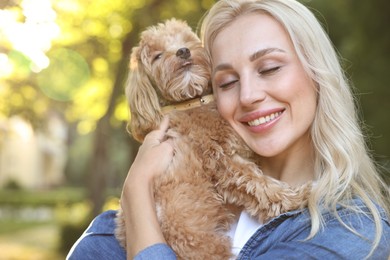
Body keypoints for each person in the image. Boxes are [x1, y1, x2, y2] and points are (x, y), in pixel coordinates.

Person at [67, 0, 390, 259]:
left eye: (270, 68)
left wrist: (136, 191)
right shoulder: (109, 233)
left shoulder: (352, 232)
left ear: (317, 73)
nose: (248, 95)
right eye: (227, 82)